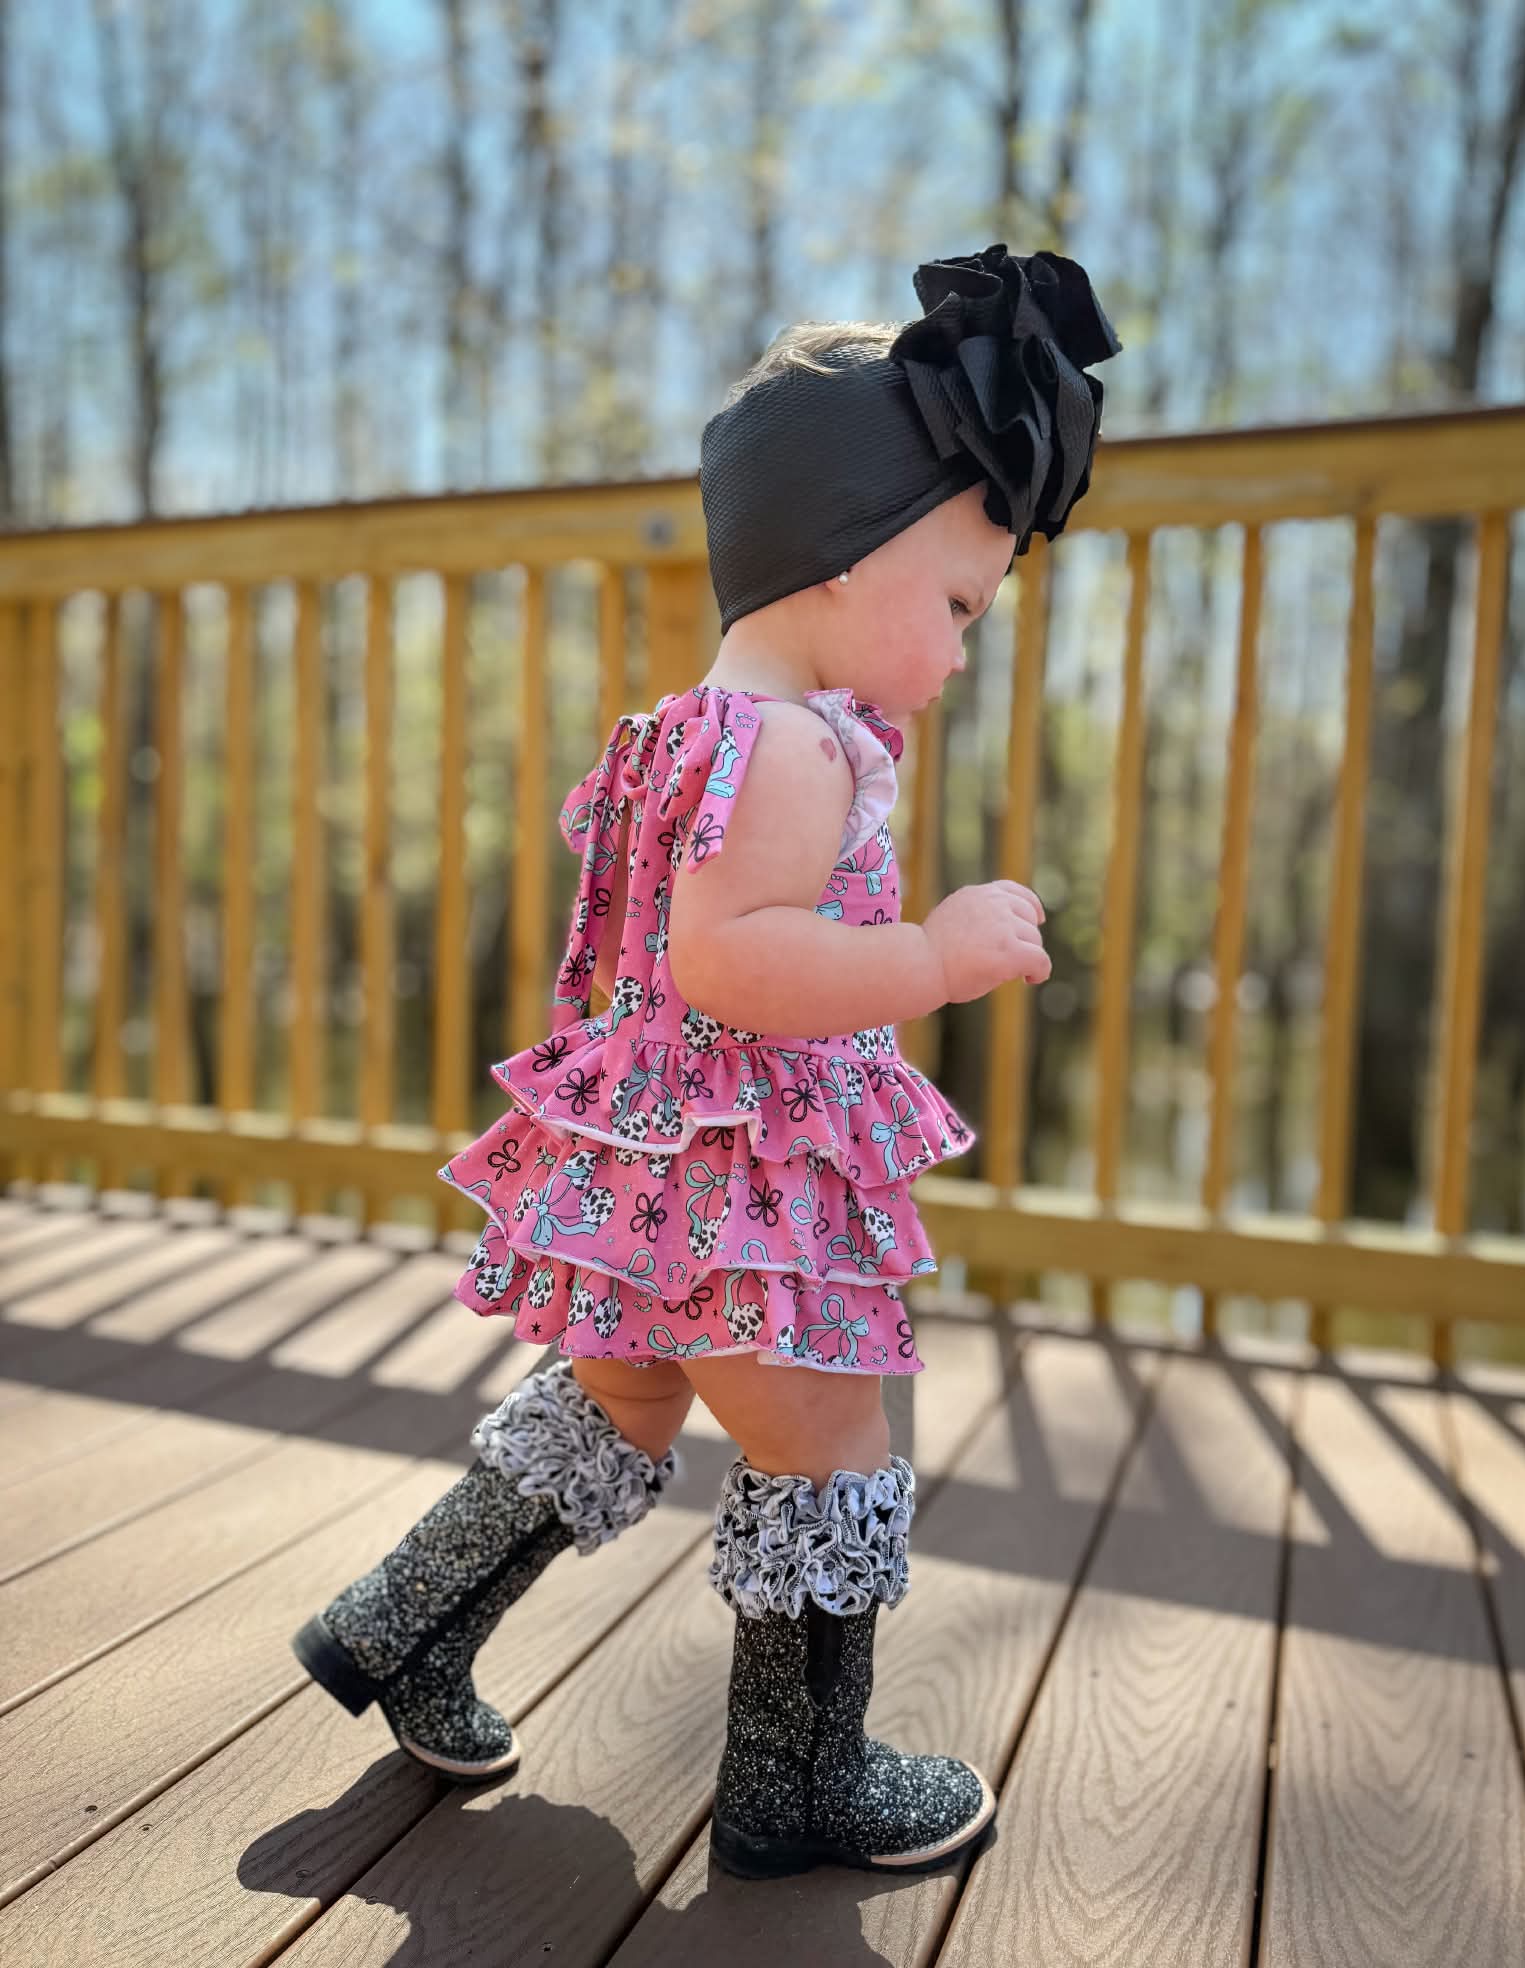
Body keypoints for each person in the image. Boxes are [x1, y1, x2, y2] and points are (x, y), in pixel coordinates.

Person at [292, 242, 1121, 1880]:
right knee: (829, 1450)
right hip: (744, 1199)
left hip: (646, 1185)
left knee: (619, 1403)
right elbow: (731, 962)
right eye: (954, 604)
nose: (959, 654)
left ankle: (398, 1632)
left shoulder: (684, 730)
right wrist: (937, 957)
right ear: (838, 555)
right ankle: (796, 1783)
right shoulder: (800, 751)